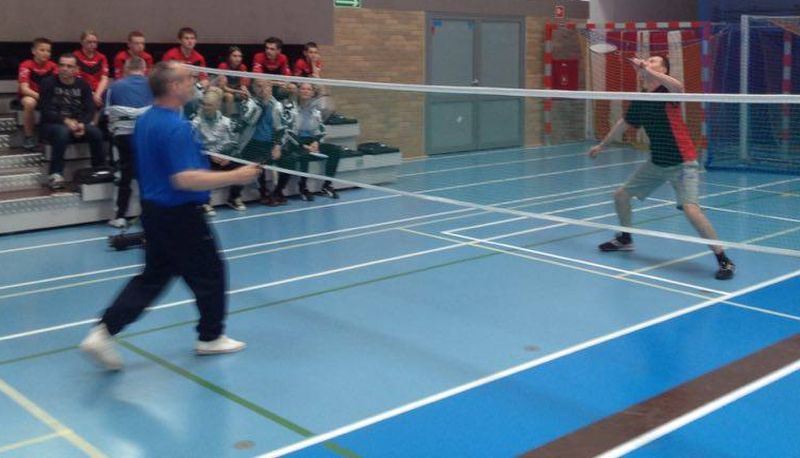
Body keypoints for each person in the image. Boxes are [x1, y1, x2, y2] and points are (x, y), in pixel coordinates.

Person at [80, 61, 261, 370]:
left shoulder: (146, 120)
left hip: (154, 213)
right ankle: (210, 337)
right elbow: (184, 179)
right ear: (174, 86)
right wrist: (237, 176)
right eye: (188, 78)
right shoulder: (176, 127)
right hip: (180, 216)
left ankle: (102, 332)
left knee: (153, 277)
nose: (194, 82)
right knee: (211, 273)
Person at [589, 55, 735, 280]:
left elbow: (679, 86)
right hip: (657, 162)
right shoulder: (641, 99)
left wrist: (645, 68)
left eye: (654, 60)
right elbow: (622, 125)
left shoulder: (668, 92)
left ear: (664, 69)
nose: (649, 62)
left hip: (682, 162)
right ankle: (626, 238)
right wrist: (602, 145)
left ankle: (724, 259)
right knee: (620, 196)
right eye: (647, 60)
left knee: (691, 210)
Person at [38, 54, 106, 190]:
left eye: (69, 66)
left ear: (76, 69)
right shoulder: (48, 83)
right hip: (51, 125)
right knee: (62, 132)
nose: (65, 69)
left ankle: (99, 170)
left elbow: (89, 110)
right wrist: (66, 121)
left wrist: (81, 123)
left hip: (76, 124)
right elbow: (45, 110)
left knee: (96, 132)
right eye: (62, 65)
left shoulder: (83, 85)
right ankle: (55, 174)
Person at [106, 56, 154, 228]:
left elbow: (108, 114)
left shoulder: (114, 87)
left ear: (126, 70)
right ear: (144, 69)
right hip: (148, 136)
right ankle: (149, 215)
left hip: (123, 137)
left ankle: (120, 216)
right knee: (147, 174)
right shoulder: (153, 86)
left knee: (123, 174)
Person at [277, 82, 339, 201]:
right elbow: (287, 130)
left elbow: (320, 129)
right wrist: (304, 145)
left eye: (308, 89)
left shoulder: (315, 110)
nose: (305, 91)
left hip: (311, 142)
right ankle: (303, 186)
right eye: (303, 89)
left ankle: (327, 185)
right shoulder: (290, 108)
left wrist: (316, 142)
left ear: (312, 93)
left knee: (335, 150)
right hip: (294, 142)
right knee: (305, 154)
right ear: (298, 91)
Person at [192, 88, 246, 213]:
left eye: (209, 105)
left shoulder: (226, 122)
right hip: (205, 157)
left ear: (217, 106)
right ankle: (204, 202)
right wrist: (209, 154)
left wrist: (227, 156)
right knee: (202, 166)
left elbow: (233, 142)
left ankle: (234, 197)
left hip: (223, 156)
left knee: (242, 165)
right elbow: (193, 144)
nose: (206, 107)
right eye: (204, 104)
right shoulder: (196, 122)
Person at [235, 79, 285, 206]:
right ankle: (264, 192)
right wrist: (259, 106)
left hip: (269, 143)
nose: (263, 89)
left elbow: (280, 128)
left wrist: (277, 146)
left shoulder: (277, 106)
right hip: (251, 143)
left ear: (270, 88)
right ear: (254, 88)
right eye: (259, 86)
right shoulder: (250, 103)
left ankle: (277, 191)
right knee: (259, 161)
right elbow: (247, 120)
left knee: (288, 159)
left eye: (265, 86)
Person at [17, 37, 58, 151]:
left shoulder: (54, 66)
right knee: (29, 102)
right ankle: (28, 137)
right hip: (30, 96)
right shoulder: (26, 65)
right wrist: (41, 97)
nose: (46, 53)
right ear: (34, 51)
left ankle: (47, 138)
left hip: (46, 97)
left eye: (48, 51)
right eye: (42, 50)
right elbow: (24, 89)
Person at [73, 31, 110, 111]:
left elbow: (104, 78)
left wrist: (97, 94)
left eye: (95, 42)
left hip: (98, 91)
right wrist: (90, 94)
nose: (92, 44)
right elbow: (75, 78)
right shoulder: (75, 56)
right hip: (81, 90)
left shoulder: (102, 57)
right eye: (89, 42)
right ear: (82, 42)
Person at [216, 46, 250, 116]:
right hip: (222, 90)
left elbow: (243, 85)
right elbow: (223, 88)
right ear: (229, 57)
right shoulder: (223, 66)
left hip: (235, 90)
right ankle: (228, 118)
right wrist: (239, 91)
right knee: (229, 96)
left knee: (245, 95)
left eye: (240, 56)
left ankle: (243, 118)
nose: (238, 59)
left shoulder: (243, 67)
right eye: (235, 56)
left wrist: (246, 92)